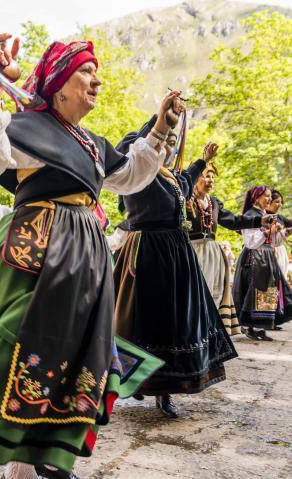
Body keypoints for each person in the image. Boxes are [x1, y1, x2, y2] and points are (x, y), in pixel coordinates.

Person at [0, 35, 171, 479]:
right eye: (87, 71)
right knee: (33, 349)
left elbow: (130, 176)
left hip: (83, 254)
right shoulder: (27, 128)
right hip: (42, 250)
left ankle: (52, 457)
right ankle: (19, 476)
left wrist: (159, 130)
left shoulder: (90, 143)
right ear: (60, 84)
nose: (98, 80)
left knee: (80, 356)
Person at [113, 116, 245, 419]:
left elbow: (186, 180)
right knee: (147, 320)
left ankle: (166, 389)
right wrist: (152, 133)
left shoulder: (170, 177)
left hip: (176, 253)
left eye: (173, 143)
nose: (169, 147)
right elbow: (124, 155)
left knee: (175, 322)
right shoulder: (136, 170)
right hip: (148, 252)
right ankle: (140, 381)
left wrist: (203, 160)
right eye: (165, 141)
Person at [186, 161, 271, 334]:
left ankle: (209, 333)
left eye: (212, 177)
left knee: (213, 294)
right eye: (206, 176)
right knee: (195, 294)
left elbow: (233, 221)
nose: (210, 180)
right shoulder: (186, 200)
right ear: (195, 179)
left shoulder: (214, 203)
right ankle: (194, 332)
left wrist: (258, 221)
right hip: (192, 251)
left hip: (212, 253)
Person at [232, 186, 292, 341]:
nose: (269, 200)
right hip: (254, 258)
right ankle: (251, 326)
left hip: (267, 257)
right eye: (266, 196)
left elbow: (275, 241)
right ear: (256, 198)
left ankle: (261, 326)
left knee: (267, 292)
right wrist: (269, 232)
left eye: (269, 197)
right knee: (255, 291)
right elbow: (250, 242)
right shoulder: (249, 216)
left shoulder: (266, 215)